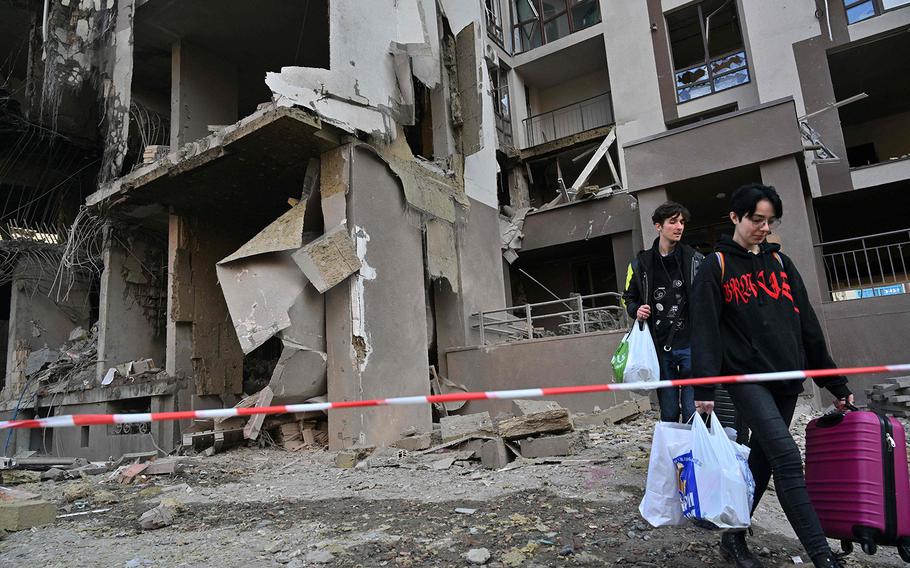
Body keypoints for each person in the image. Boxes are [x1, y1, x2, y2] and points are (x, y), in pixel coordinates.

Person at [690, 183, 854, 568]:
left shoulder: (781, 263)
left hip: (786, 377)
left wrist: (835, 383)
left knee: (762, 461)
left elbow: (808, 328)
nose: (764, 228)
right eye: (756, 220)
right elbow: (705, 331)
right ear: (735, 217)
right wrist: (704, 386)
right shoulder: (716, 266)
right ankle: (821, 556)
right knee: (786, 454)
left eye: (769, 221)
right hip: (746, 379)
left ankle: (732, 541)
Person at [623, 201, 703, 423]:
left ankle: (694, 457)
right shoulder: (641, 263)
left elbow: (708, 299)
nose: (679, 227)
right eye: (673, 222)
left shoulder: (695, 259)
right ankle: (674, 456)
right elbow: (626, 298)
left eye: (682, 222)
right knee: (668, 413)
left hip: (690, 345)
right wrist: (636, 310)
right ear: (658, 226)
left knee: (691, 412)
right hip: (660, 348)